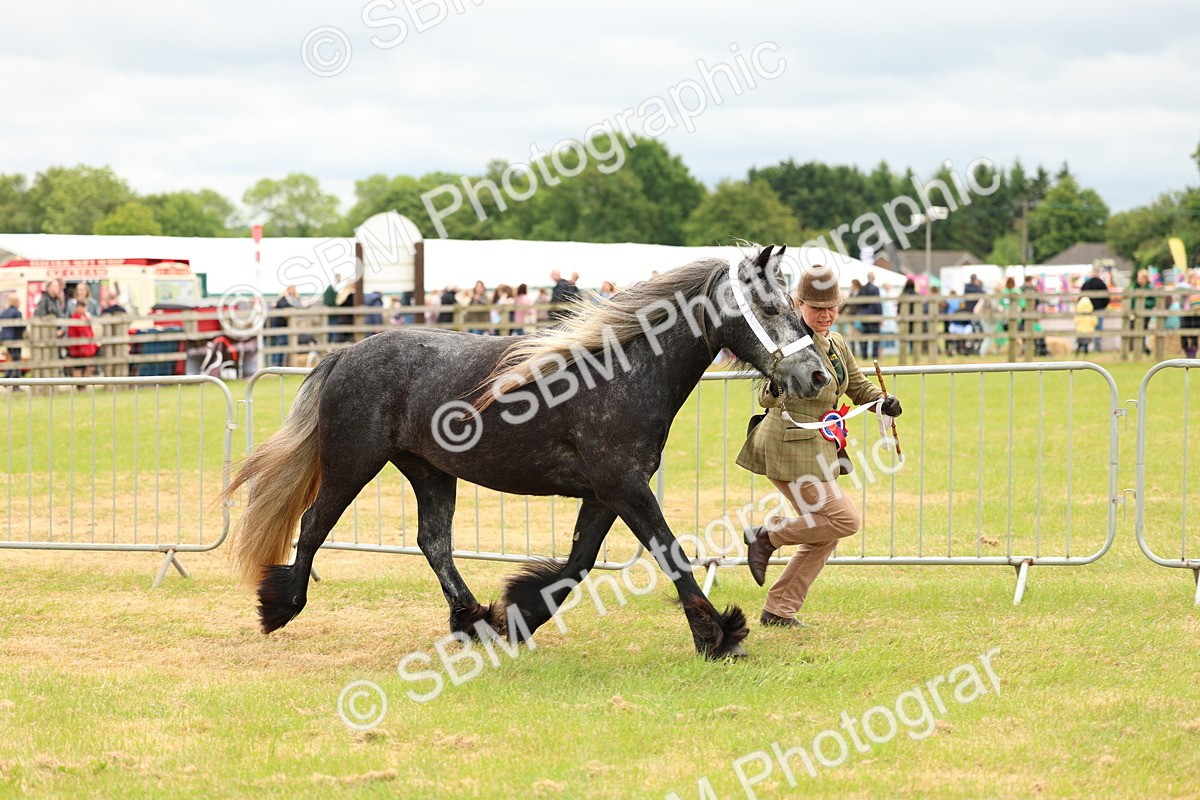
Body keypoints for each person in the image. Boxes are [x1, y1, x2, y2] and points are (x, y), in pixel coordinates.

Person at [736, 265, 903, 627]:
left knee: (825, 533)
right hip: (786, 445)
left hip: (821, 449)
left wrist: (883, 401)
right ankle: (767, 536)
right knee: (844, 520)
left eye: (832, 307)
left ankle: (779, 610)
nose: (825, 315)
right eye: (816, 308)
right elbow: (766, 395)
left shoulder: (837, 342)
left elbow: (859, 387)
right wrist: (778, 386)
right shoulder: (788, 342)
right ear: (797, 304)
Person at [66, 297, 99, 379]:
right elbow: (75, 334)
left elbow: (89, 332)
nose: (83, 309)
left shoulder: (85, 317)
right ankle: (79, 387)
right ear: (77, 307)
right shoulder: (75, 318)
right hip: (78, 348)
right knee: (78, 368)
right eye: (81, 307)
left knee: (89, 366)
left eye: (84, 307)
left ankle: (83, 385)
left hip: (87, 348)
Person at [269, 286, 300, 367]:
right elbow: (284, 305)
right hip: (280, 326)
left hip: (285, 327)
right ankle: (277, 365)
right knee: (281, 345)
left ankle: (283, 364)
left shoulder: (292, 299)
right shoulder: (283, 299)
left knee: (284, 345)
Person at [1080, 267, 1109, 352]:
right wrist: (1103, 306)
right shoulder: (1102, 284)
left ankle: (1085, 347)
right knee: (1098, 329)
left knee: (1087, 328)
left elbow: (1081, 297)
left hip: (1087, 310)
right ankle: (1097, 347)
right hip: (1099, 309)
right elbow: (1106, 298)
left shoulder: (1086, 284)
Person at [1130, 269, 1156, 357]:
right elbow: (1132, 300)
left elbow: (1152, 302)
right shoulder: (1135, 287)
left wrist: (1142, 303)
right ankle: (1142, 349)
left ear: (1145, 279)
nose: (1139, 280)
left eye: (1140, 278)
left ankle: (1144, 349)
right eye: (1138, 278)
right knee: (1134, 330)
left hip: (1146, 313)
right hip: (1135, 313)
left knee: (1142, 331)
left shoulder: (1150, 289)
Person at [857, 271, 883, 359]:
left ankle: (864, 355)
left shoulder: (862, 288)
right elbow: (877, 303)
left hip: (864, 316)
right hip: (874, 315)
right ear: (873, 278)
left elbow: (858, 302)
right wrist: (880, 316)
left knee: (864, 336)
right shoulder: (875, 289)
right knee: (875, 336)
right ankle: (874, 355)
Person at [1, 295, 25, 380]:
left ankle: (6, 377)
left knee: (10, 358)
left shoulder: (4, 312)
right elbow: (21, 326)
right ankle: (16, 382)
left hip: (5, 338)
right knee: (16, 359)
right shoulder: (17, 313)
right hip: (15, 338)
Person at [1181, 271, 1200, 360]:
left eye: (1197, 278)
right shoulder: (1185, 288)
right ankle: (1187, 350)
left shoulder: (1198, 289)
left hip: (1196, 315)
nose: (1195, 280)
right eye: (1194, 278)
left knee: (1194, 335)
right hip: (1186, 314)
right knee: (1184, 333)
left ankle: (1193, 352)